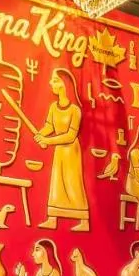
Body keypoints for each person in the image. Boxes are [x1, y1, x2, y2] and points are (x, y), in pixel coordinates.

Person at [32, 68, 89, 231]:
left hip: (71, 151)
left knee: (72, 184)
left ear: (65, 85)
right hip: (59, 151)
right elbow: (49, 126)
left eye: (55, 80)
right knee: (57, 183)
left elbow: (71, 135)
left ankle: (84, 221)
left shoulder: (75, 110)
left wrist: (47, 141)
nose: (51, 83)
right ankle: (53, 218)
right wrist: (40, 134)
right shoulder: (53, 107)